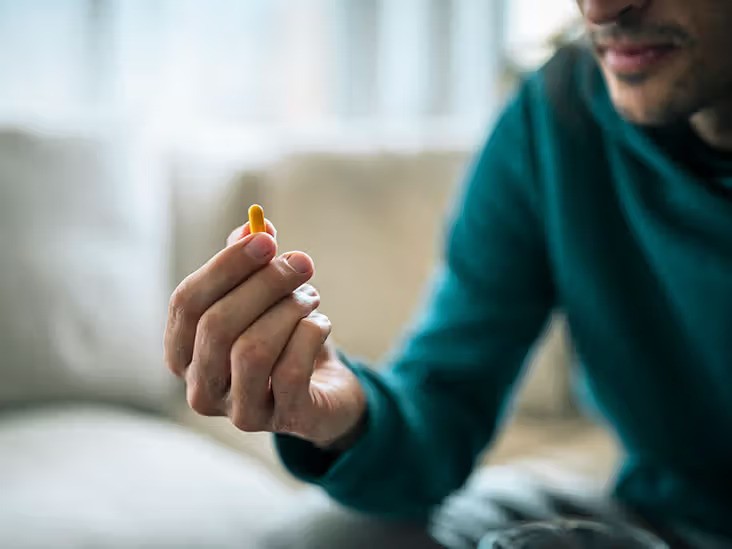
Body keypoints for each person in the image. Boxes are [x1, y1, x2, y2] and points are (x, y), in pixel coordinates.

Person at [163, 1, 732, 547]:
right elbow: (443, 407)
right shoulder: (558, 117)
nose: (601, 10)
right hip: (666, 520)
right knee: (329, 538)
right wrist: (344, 414)